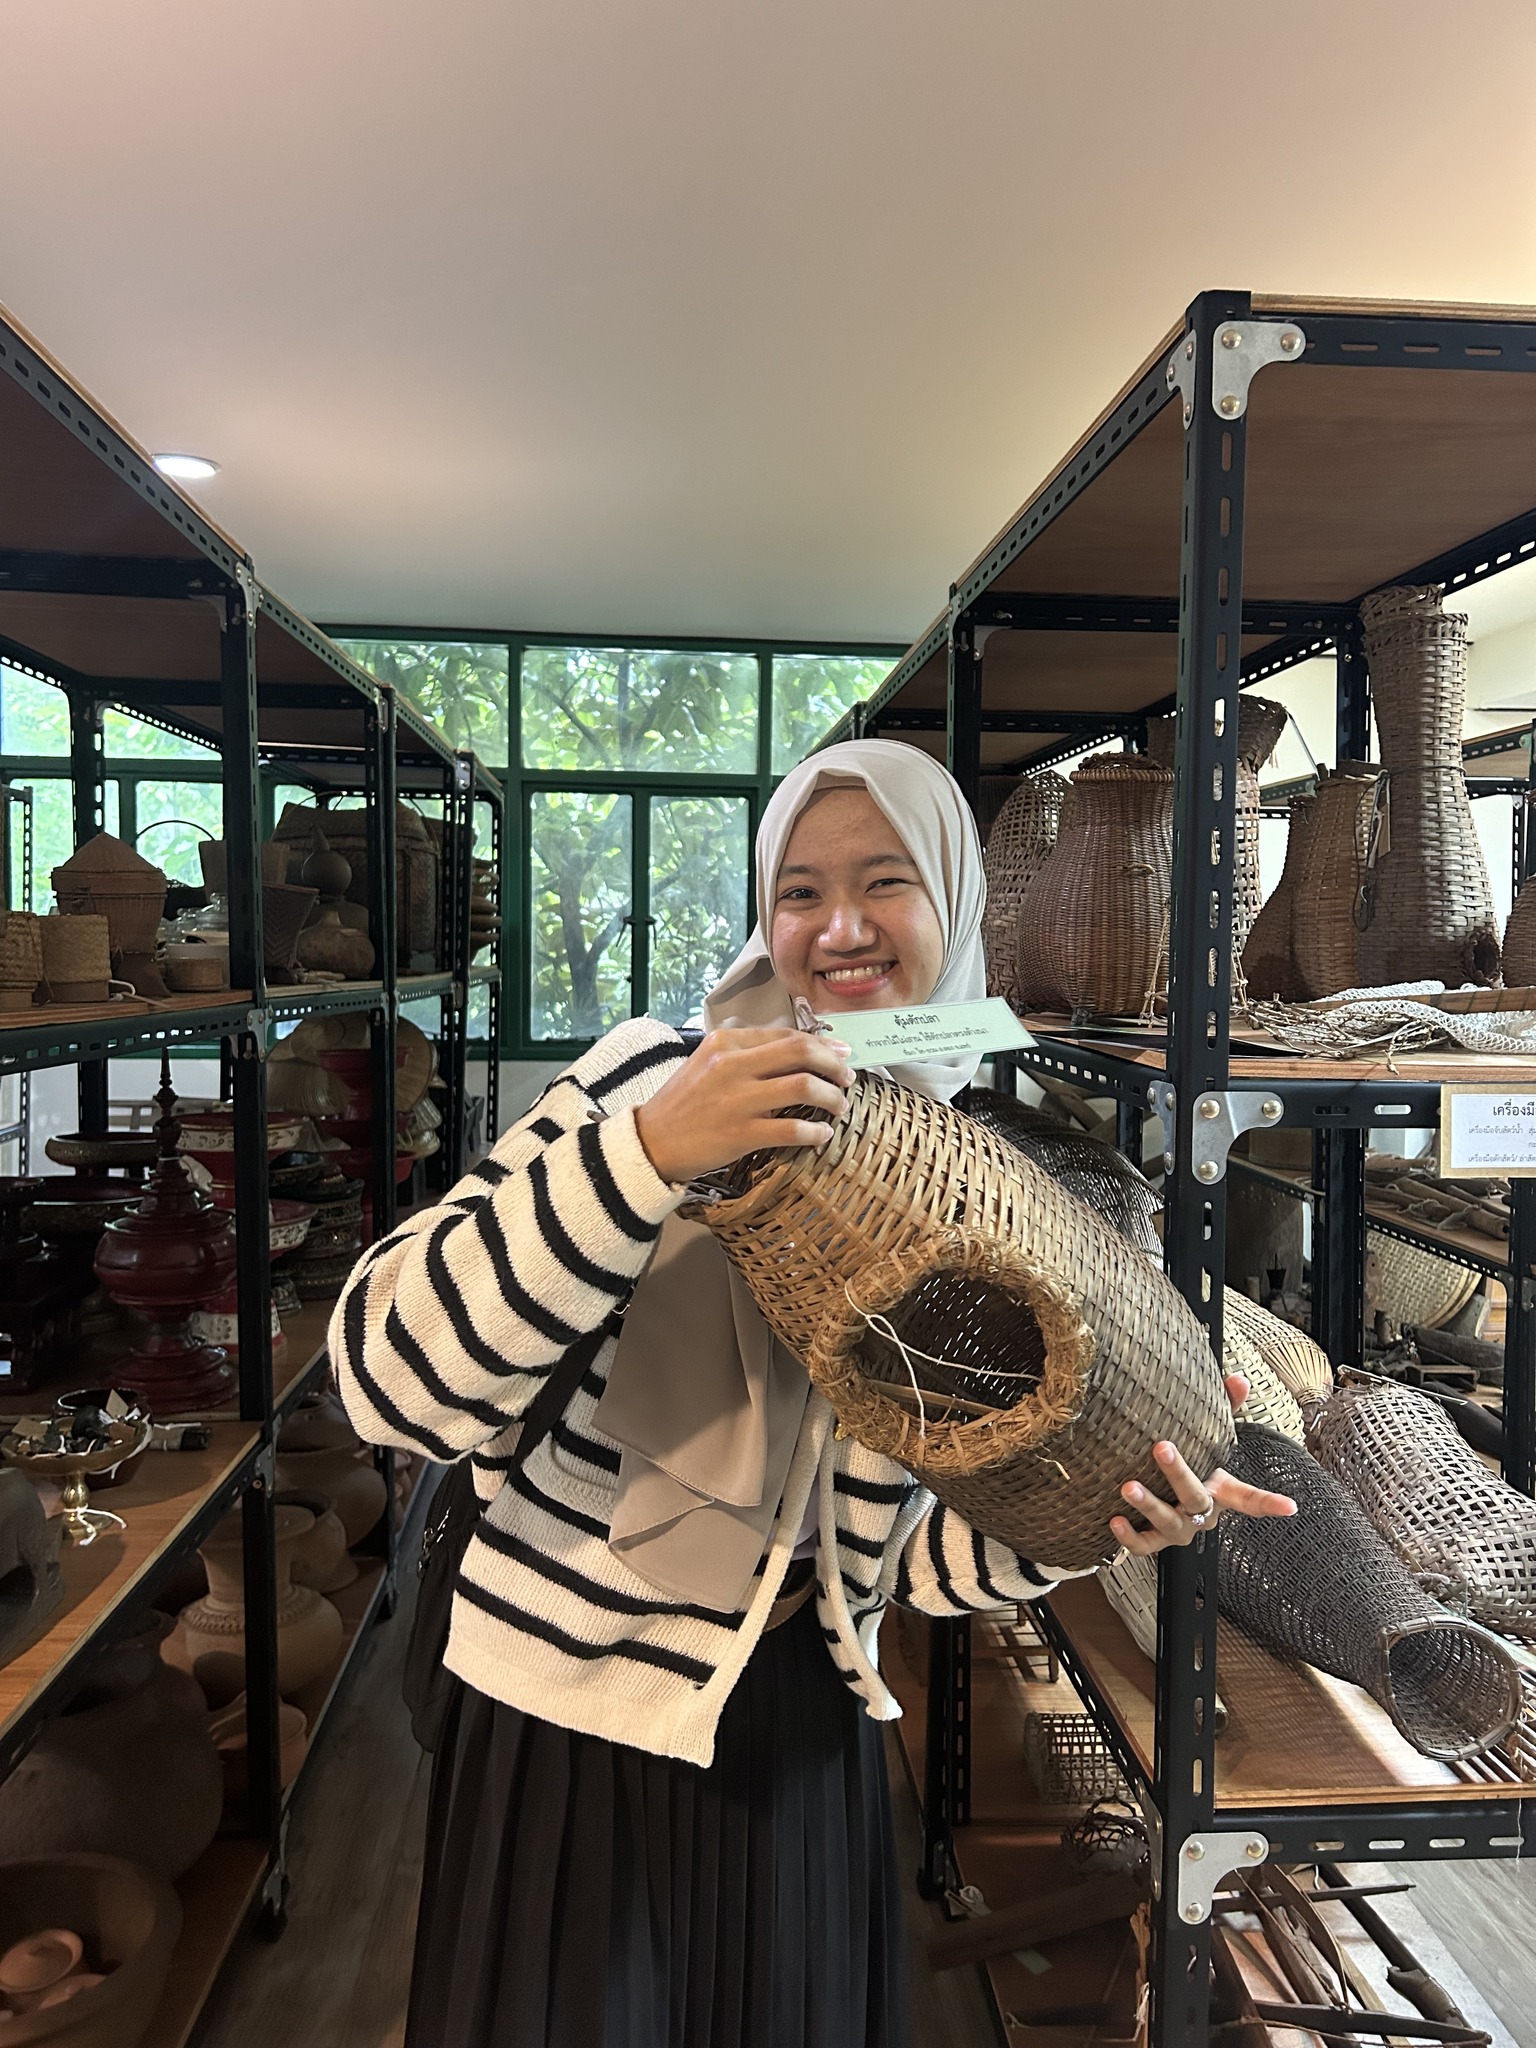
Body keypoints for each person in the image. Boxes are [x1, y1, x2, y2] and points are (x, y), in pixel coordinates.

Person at [331, 739, 1294, 2048]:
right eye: (800, 891)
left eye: (886, 881)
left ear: (955, 903)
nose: (840, 929)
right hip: (561, 1717)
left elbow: (906, 1565)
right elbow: (385, 1377)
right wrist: (648, 1157)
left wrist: (1093, 1526)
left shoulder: (976, 1184)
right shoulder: (650, 1080)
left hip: (805, 1729)